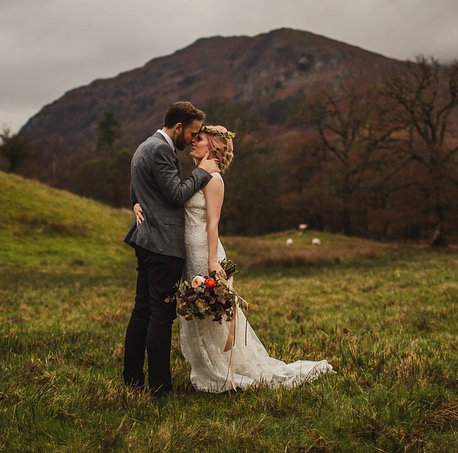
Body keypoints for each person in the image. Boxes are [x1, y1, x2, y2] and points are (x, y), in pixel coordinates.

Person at [135, 124, 333, 392]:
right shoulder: (198, 174)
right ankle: (207, 369)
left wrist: (214, 262)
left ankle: (225, 369)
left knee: (215, 314)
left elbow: (213, 224)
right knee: (200, 313)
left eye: (200, 139)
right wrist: (138, 203)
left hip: (206, 252)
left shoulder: (214, 179)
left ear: (213, 147)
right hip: (189, 250)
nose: (193, 142)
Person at [122, 101, 219, 398]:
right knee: (160, 316)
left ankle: (133, 379)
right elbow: (177, 195)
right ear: (178, 128)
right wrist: (202, 171)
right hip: (163, 244)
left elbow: (137, 191)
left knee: (142, 311)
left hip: (145, 240)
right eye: (191, 134)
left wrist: (136, 205)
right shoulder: (162, 150)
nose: (192, 140)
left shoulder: (144, 146)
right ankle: (160, 388)